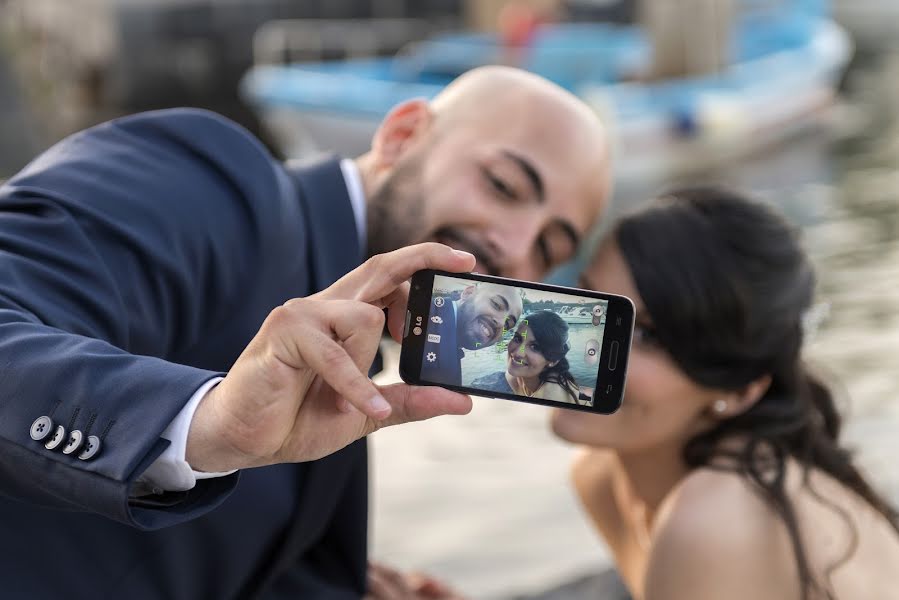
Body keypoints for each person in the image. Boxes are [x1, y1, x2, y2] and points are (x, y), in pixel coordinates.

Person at [0, 64, 610, 598]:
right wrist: (205, 424)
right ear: (402, 137)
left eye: (550, 248)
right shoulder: (217, 177)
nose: (513, 247)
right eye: (502, 186)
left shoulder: (358, 362)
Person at [551, 187, 899, 600]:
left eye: (646, 334)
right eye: (590, 301)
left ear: (738, 391)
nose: (582, 344)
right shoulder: (599, 476)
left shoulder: (719, 514)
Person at [420, 282, 523, 387]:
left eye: (507, 324)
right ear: (468, 293)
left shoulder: (449, 342)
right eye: (496, 305)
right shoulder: (426, 317)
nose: (501, 323)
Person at [470, 309, 581, 404]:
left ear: (553, 360)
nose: (518, 352)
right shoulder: (523, 377)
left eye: (535, 347)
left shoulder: (551, 396)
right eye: (518, 339)